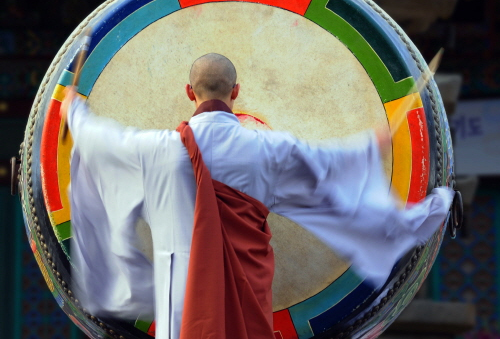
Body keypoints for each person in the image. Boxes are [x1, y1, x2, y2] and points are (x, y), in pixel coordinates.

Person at [62, 53, 453, 339]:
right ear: (236, 91)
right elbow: (328, 163)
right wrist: (372, 144)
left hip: (180, 310)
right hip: (248, 305)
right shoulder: (266, 151)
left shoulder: (157, 150)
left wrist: (75, 111)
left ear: (188, 92)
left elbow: (102, 142)